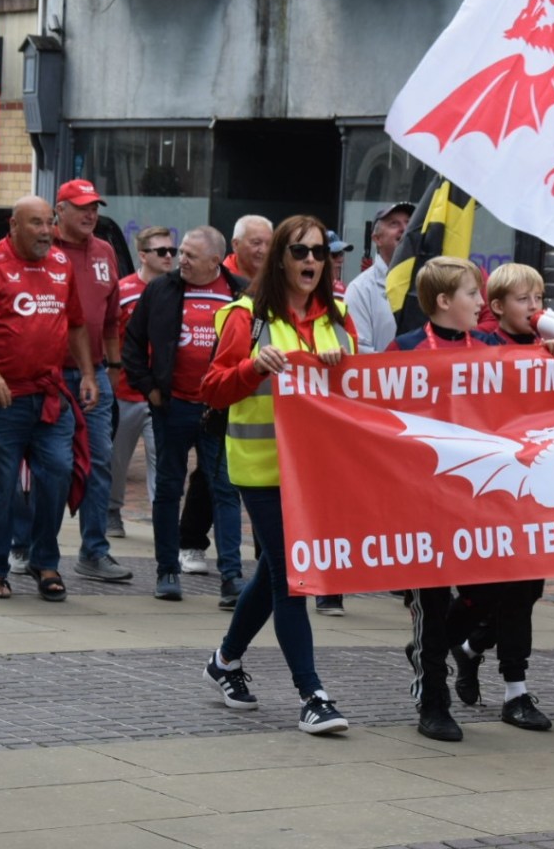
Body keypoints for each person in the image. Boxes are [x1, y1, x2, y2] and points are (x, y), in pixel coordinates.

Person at [199, 214, 353, 736]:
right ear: (280, 259)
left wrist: (343, 361)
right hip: (261, 467)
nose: (312, 261)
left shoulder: (340, 316)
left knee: (274, 571)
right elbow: (213, 389)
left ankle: (225, 660)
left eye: (319, 252)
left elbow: (365, 389)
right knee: (293, 577)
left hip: (317, 471)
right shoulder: (247, 318)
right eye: (300, 251)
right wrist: (253, 368)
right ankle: (313, 695)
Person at [439, 262, 554, 731]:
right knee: (487, 592)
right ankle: (445, 646)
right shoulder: (485, 348)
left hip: (530, 493)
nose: (534, 308)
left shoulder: (548, 349)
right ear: (496, 307)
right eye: (523, 300)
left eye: (538, 299)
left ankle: (493, 671)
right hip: (489, 492)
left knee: (526, 590)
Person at [0, 195, 96, 600]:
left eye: (49, 223)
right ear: (13, 225)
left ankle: (44, 560)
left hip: (50, 395)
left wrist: (86, 373)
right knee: (1, 487)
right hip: (3, 400)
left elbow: (78, 325)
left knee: (59, 473)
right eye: (36, 223)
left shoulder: (62, 264)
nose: (46, 232)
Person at [385, 257, 503, 741]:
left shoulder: (493, 348)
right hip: (422, 499)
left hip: (478, 500)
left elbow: (534, 385)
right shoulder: (405, 349)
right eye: (473, 294)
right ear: (443, 302)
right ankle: (432, 701)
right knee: (430, 604)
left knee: (492, 590)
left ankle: (431, 650)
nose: (481, 303)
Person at [123, 225, 246, 606]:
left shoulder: (240, 292)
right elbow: (132, 342)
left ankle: (231, 576)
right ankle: (167, 571)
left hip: (219, 409)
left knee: (223, 488)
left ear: (214, 260)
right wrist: (150, 388)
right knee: (168, 488)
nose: (181, 261)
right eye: (180, 254)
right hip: (172, 406)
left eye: (190, 256)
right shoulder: (163, 290)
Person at [49, 179, 131, 583]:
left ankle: (94, 551)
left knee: (100, 460)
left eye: (94, 206)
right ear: (59, 210)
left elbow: (112, 317)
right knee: (52, 464)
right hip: (47, 374)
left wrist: (111, 369)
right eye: (81, 206)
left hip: (95, 373)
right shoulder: (43, 248)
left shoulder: (104, 251)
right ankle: (26, 547)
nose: (90, 213)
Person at [106, 226, 176, 538]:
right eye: (162, 251)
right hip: (124, 392)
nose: (169, 257)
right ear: (143, 255)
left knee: (160, 457)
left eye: (172, 251)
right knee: (117, 459)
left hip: (160, 393)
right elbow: (106, 336)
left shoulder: (178, 291)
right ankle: (111, 511)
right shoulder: (123, 291)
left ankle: (163, 518)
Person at [313, 224, 356, 619]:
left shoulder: (341, 306)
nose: (337, 259)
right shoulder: (257, 309)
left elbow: (354, 363)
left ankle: (331, 588)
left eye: (339, 253)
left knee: (335, 508)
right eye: (332, 253)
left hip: (334, 429)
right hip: (281, 439)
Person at [344, 201, 413, 354]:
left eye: (409, 223)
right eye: (394, 224)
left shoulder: (426, 282)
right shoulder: (360, 290)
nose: (404, 229)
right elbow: (359, 350)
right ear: (377, 239)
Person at [221, 214, 271, 281]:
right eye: (256, 243)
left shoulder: (279, 278)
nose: (264, 250)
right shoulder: (219, 277)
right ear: (236, 244)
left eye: (269, 244)